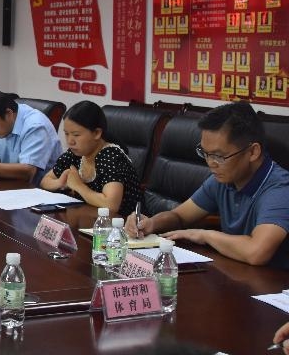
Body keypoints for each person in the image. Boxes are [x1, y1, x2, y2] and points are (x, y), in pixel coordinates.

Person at [125, 102, 289, 268]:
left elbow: (257, 252)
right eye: (205, 153)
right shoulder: (223, 179)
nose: (210, 163)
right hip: (235, 271)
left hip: (273, 279)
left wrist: (205, 236)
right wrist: (151, 224)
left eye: (218, 156)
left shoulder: (279, 189)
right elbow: (179, 216)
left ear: (253, 152)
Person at [40, 101, 141, 216]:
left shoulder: (111, 157)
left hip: (126, 222)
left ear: (97, 133)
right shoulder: (75, 153)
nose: (70, 141)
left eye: (76, 135)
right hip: (89, 217)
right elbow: (45, 181)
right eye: (67, 134)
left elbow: (111, 205)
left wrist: (78, 186)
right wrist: (60, 182)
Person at [0, 90, 61, 185]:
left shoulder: (35, 126)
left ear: (9, 114)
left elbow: (28, 172)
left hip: (40, 191)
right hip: (11, 186)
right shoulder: (1, 124)